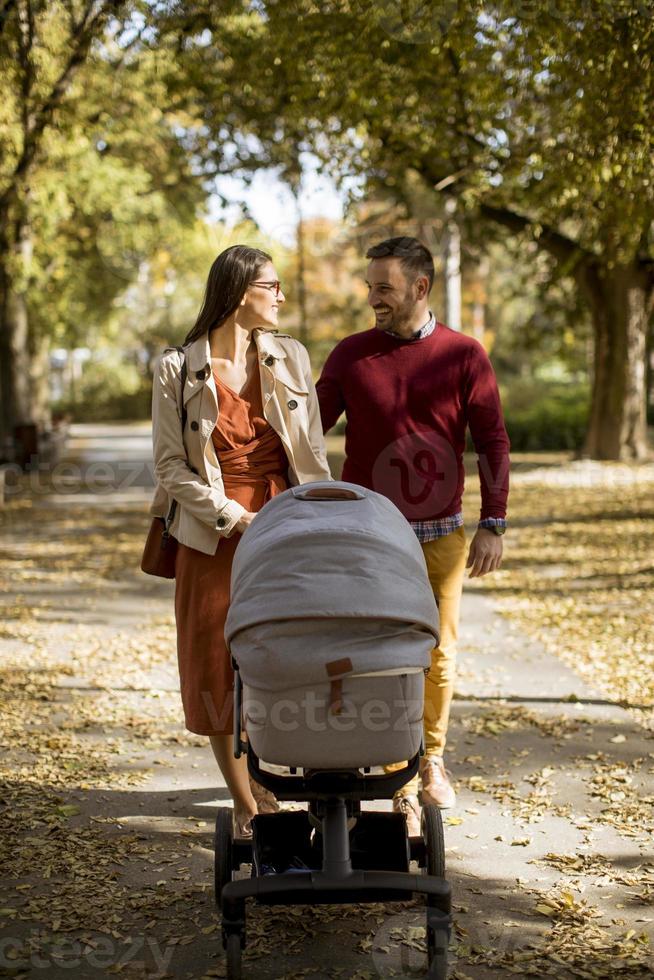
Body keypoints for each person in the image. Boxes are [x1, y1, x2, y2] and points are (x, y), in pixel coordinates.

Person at [316, 236, 510, 835]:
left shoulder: (464, 355)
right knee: (368, 652)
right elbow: (303, 433)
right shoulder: (350, 356)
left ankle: (430, 762)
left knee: (436, 654)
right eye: (370, 285)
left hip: (440, 536)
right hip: (367, 538)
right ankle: (377, 764)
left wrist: (493, 522)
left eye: (384, 287)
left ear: (419, 288)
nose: (372, 297)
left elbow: (493, 441)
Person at [150, 245, 331, 839]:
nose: (281, 297)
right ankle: (249, 807)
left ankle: (278, 775)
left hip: (285, 523)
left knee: (287, 652)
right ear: (237, 293)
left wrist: (314, 516)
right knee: (215, 662)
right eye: (270, 286)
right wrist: (232, 516)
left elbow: (312, 453)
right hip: (213, 529)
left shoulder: (292, 357)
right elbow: (171, 469)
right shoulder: (177, 369)